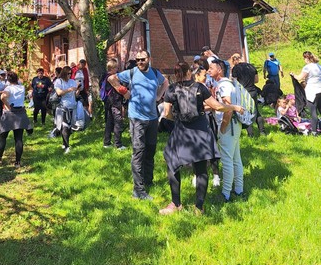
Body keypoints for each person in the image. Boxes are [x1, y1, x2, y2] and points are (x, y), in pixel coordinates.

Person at [159, 62, 244, 215]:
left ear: (176, 74)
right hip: (200, 130)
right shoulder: (199, 87)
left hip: (181, 130)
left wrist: (176, 118)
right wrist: (234, 107)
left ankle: (176, 203)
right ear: (189, 72)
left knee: (172, 164)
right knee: (200, 168)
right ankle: (199, 207)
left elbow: (166, 113)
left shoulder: (171, 89)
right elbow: (217, 106)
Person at [108, 49, 168, 200]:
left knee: (150, 150)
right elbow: (111, 78)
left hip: (152, 118)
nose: (140, 62)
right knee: (139, 152)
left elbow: (165, 82)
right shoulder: (131, 73)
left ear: (149, 59)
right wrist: (124, 92)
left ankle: (148, 181)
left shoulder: (155, 73)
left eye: (143, 59)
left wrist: (158, 96)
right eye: (138, 60)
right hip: (137, 118)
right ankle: (138, 190)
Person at [208, 58, 245, 202]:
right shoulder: (226, 84)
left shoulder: (224, 85)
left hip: (229, 125)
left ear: (220, 70)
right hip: (234, 124)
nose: (209, 70)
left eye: (211, 68)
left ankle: (226, 193)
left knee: (227, 160)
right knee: (236, 158)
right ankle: (239, 189)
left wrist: (222, 127)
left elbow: (228, 108)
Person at [0, 71, 32, 167]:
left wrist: (8, 106)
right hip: (20, 113)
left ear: (8, 80)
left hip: (9, 113)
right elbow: (27, 86)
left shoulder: (8, 88)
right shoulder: (21, 87)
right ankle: (17, 162)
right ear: (16, 79)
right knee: (18, 138)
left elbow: (2, 97)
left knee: (3, 136)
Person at [231, 53, 266, 137]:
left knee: (246, 113)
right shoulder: (251, 66)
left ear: (235, 60)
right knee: (256, 111)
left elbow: (235, 82)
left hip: (243, 93)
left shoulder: (236, 68)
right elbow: (256, 80)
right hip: (253, 91)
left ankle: (251, 134)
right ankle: (262, 131)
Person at [291, 51, 321, 136]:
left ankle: (314, 132)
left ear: (306, 58)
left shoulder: (307, 67)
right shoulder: (318, 66)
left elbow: (299, 78)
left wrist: (293, 75)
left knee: (313, 112)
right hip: (320, 90)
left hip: (312, 91)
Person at [100, 59, 126, 150]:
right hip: (115, 102)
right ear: (112, 68)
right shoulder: (112, 78)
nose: (117, 69)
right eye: (116, 68)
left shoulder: (104, 76)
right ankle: (118, 144)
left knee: (109, 122)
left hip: (108, 102)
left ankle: (107, 142)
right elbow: (118, 89)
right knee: (118, 122)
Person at [53, 66, 79, 154]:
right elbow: (59, 92)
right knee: (65, 126)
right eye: (68, 73)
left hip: (72, 106)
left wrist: (78, 90)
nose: (69, 75)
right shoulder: (59, 81)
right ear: (64, 73)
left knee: (69, 126)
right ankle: (67, 146)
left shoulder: (72, 81)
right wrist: (69, 89)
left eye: (71, 73)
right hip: (63, 106)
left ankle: (64, 143)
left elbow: (75, 94)